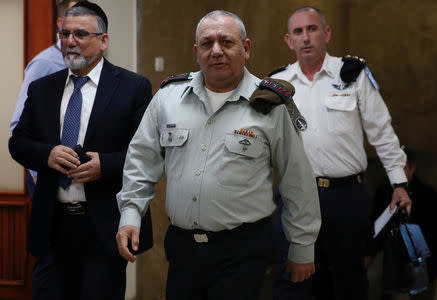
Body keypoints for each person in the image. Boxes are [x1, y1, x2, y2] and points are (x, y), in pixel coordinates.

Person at [115, 10, 321, 300]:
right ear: (196, 51)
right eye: (207, 43)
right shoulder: (168, 99)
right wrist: (130, 214)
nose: (216, 51)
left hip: (242, 251)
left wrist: (302, 246)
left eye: (226, 42)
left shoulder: (270, 105)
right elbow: (140, 162)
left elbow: (296, 180)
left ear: (246, 48)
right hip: (183, 249)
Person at [9, 2, 153, 299]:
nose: (70, 41)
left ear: (103, 41)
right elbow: (18, 142)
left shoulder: (132, 87)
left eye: (80, 34)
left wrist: (107, 165)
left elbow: (149, 153)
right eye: (65, 34)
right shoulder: (43, 89)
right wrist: (47, 154)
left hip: (103, 226)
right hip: (52, 226)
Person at [270, 6, 412, 300]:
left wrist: (399, 183)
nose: (306, 37)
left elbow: (381, 132)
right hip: (297, 198)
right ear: (288, 40)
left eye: (312, 29)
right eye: (298, 32)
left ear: (327, 33)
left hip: (346, 196)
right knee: (293, 282)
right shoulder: (278, 84)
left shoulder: (352, 74)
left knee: (349, 282)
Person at [10, 0, 84, 197]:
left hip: (84, 180)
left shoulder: (88, 64)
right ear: (61, 24)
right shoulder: (45, 63)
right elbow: (19, 124)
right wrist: (36, 171)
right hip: (47, 175)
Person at [371, 147, 437, 300]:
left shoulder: (430, 196)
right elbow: (374, 228)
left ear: (412, 167)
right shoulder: (383, 192)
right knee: (374, 278)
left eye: (401, 167)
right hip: (390, 257)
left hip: (423, 259)